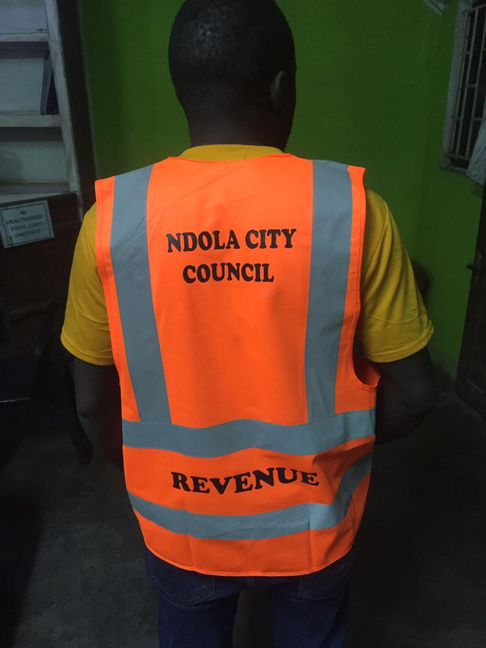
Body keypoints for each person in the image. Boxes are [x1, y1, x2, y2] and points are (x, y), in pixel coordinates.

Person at [61, 1, 436, 646]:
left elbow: (92, 401)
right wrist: (330, 458)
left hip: (181, 524)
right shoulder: (353, 213)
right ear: (282, 88)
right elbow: (417, 395)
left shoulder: (112, 223)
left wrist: (152, 474)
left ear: (182, 91)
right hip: (313, 527)